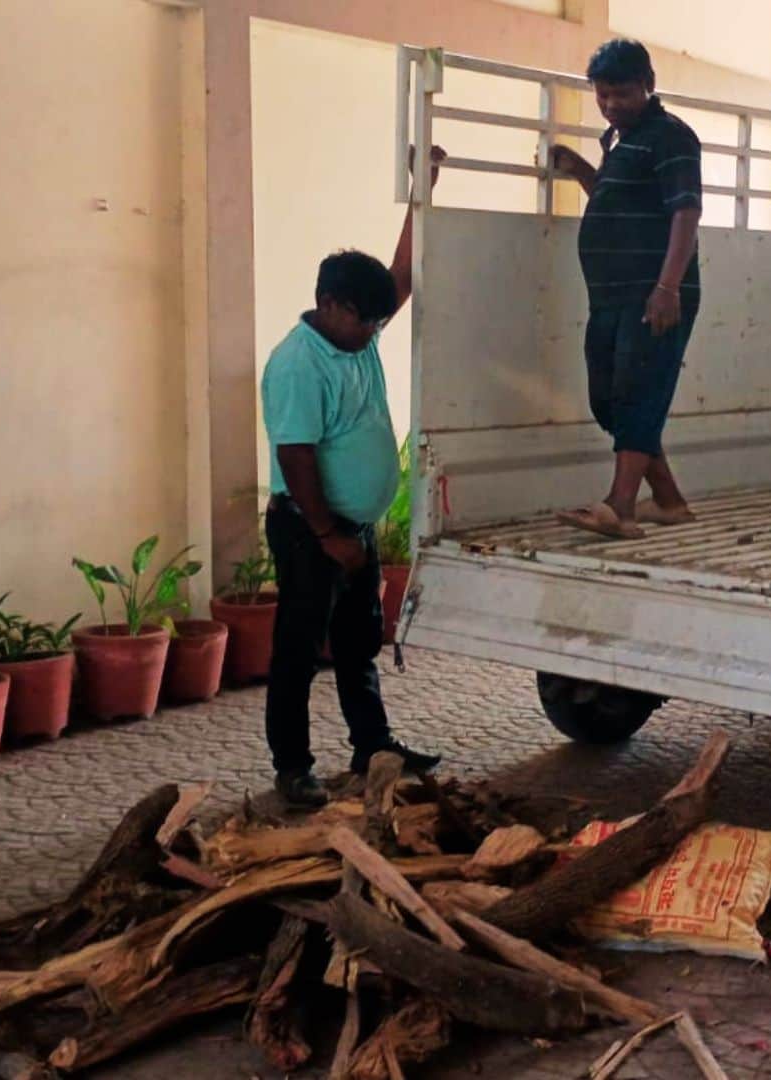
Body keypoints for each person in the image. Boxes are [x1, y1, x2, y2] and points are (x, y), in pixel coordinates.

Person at [260, 146, 446, 809]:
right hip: (311, 529)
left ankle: (373, 747)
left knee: (358, 644)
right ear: (329, 304)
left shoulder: (355, 332)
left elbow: (401, 275)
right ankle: (292, 768)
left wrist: (422, 188)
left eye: (376, 318)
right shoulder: (299, 364)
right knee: (298, 651)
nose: (374, 329)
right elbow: (295, 456)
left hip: (353, 528)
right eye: (363, 318)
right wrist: (328, 535)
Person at [548, 38, 703, 540]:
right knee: (609, 401)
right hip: (610, 295)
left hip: (653, 293)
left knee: (637, 393)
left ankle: (621, 506)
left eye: (622, 94)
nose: (611, 104)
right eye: (603, 95)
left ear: (648, 85)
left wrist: (667, 286)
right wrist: (580, 171)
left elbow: (686, 212)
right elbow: (617, 201)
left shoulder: (671, 137)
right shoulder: (618, 140)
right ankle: (669, 500)